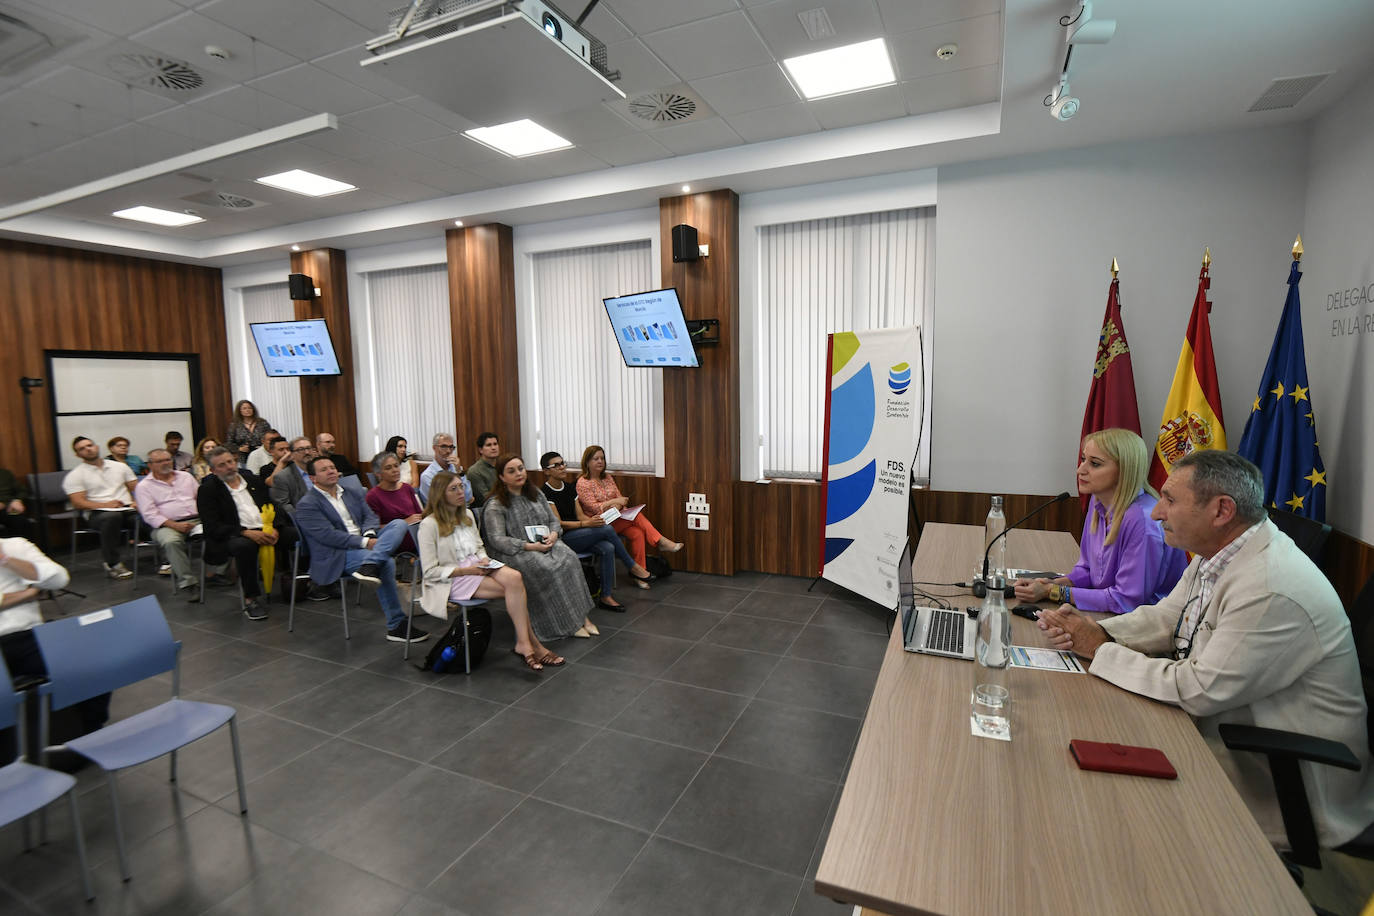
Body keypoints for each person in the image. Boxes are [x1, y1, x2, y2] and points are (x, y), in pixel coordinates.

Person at [1039, 450, 1374, 850]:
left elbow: (1196, 689)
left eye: (1170, 500)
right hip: (1225, 731)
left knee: (1110, 817)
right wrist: (1094, 630)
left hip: (1284, 778)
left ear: (1221, 511)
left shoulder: (1271, 586)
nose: (1157, 512)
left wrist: (1100, 649)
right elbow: (1167, 618)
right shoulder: (1218, 553)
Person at [1014, 428, 1187, 613]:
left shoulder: (1143, 519)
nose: (1080, 470)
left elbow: (1126, 600)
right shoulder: (1098, 502)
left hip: (1150, 625)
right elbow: (1088, 571)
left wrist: (1053, 592)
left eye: (1095, 464)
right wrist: (1050, 584)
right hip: (1110, 614)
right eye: (1083, 459)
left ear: (1124, 470)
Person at [418, 471, 563, 670]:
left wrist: (484, 560)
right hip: (452, 577)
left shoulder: (467, 514)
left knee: (516, 578)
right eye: (454, 489)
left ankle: (524, 644)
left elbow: (478, 546)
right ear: (440, 494)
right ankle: (533, 645)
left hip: (477, 564)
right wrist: (468, 570)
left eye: (461, 486)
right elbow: (429, 572)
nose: (461, 492)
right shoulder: (429, 524)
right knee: (516, 590)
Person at [0, 538, 108, 768]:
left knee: (93, 662)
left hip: (27, 634)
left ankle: (90, 735)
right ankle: (8, 767)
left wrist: (6, 560)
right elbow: (37, 587)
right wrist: (26, 595)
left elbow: (58, 578)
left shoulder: (15, 545)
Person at [294, 455, 425, 643]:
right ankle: (396, 625)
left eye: (332, 467)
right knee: (386, 562)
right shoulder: (307, 504)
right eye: (324, 470)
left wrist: (370, 536)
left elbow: (369, 517)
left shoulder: (351, 492)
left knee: (398, 524)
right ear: (312, 478)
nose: (331, 471)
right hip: (338, 552)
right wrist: (364, 543)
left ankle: (371, 563)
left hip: (367, 542)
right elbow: (328, 536)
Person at [483, 454, 596, 641]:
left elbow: (554, 521)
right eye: (511, 471)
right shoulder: (496, 505)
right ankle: (566, 622)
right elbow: (497, 540)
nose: (518, 473)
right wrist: (528, 546)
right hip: (516, 551)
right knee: (547, 568)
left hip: (544, 543)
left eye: (520, 468)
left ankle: (582, 617)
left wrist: (553, 535)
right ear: (502, 477)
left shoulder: (536, 493)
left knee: (569, 558)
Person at [540, 450, 653, 607]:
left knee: (607, 547)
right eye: (556, 465)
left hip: (581, 532)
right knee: (606, 530)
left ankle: (606, 597)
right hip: (562, 538)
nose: (562, 467)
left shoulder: (569, 488)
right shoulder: (544, 492)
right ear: (546, 471)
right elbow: (558, 523)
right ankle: (632, 566)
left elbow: (580, 516)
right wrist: (587, 524)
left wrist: (594, 521)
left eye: (563, 463)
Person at [197, 447, 298, 620]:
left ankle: (303, 583)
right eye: (222, 465)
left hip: (265, 527)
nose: (229, 467)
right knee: (245, 547)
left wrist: (274, 526)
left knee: (295, 534)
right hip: (234, 534)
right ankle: (251, 599)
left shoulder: (251, 480)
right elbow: (212, 526)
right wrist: (245, 532)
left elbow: (273, 505)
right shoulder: (208, 490)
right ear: (213, 470)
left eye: (230, 461)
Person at [575, 444, 682, 570]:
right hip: (600, 524)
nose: (600, 461)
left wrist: (617, 503)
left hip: (616, 518)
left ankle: (640, 573)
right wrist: (614, 502)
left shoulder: (607, 477)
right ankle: (660, 541)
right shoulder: (583, 482)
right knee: (637, 516)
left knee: (637, 533)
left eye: (602, 458)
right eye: (596, 459)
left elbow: (621, 499)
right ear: (587, 462)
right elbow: (594, 508)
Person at [134, 448, 215, 593]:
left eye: (168, 460)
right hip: (166, 525)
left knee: (221, 530)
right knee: (172, 542)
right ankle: (188, 582)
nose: (165, 463)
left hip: (197, 519)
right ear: (150, 465)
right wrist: (175, 525)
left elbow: (201, 498)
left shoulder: (185, 477)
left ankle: (217, 574)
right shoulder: (144, 487)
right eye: (160, 461)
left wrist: (206, 516)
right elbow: (150, 515)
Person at [61, 436, 136, 579]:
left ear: (96, 447)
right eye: (82, 448)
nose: (88, 449)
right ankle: (113, 563)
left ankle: (166, 558)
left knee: (147, 517)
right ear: (78, 455)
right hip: (98, 513)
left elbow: (137, 488)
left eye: (90, 445)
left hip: (126, 509)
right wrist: (105, 505)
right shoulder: (76, 475)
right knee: (112, 517)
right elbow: (78, 502)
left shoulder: (120, 467)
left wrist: (137, 501)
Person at [365, 451, 423, 554]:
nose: (395, 470)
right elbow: (375, 528)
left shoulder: (406, 488)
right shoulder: (372, 496)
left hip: (418, 534)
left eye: (396, 466)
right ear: (378, 474)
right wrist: (404, 522)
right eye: (388, 468)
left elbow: (419, 514)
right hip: (396, 541)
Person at [418, 432, 472, 505]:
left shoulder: (456, 469)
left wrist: (459, 471)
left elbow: (468, 497)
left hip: (461, 510)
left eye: (451, 447)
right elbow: (437, 504)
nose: (448, 451)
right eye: (444, 447)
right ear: (434, 448)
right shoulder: (428, 475)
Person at [270, 437, 316, 516]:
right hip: (303, 517)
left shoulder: (320, 471)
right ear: (292, 454)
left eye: (309, 448)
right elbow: (283, 505)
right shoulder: (283, 477)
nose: (307, 452)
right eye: (301, 449)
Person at [225, 399, 271, 466]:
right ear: (239, 411)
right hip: (243, 457)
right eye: (244, 408)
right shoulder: (234, 425)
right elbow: (229, 443)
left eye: (249, 408)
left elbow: (270, 437)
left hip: (261, 455)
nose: (247, 410)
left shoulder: (262, 423)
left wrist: (263, 447)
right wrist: (239, 448)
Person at [466, 431, 501, 506]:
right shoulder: (474, 471)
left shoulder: (503, 465)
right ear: (481, 450)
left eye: (495, 444)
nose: (493, 448)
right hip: (488, 509)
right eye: (489, 445)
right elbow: (486, 498)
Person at [0, 466, 33, 539]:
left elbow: (22, 491)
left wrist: (17, 500)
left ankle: (21, 549)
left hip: (7, 507)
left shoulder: (5, 473)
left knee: (20, 521)